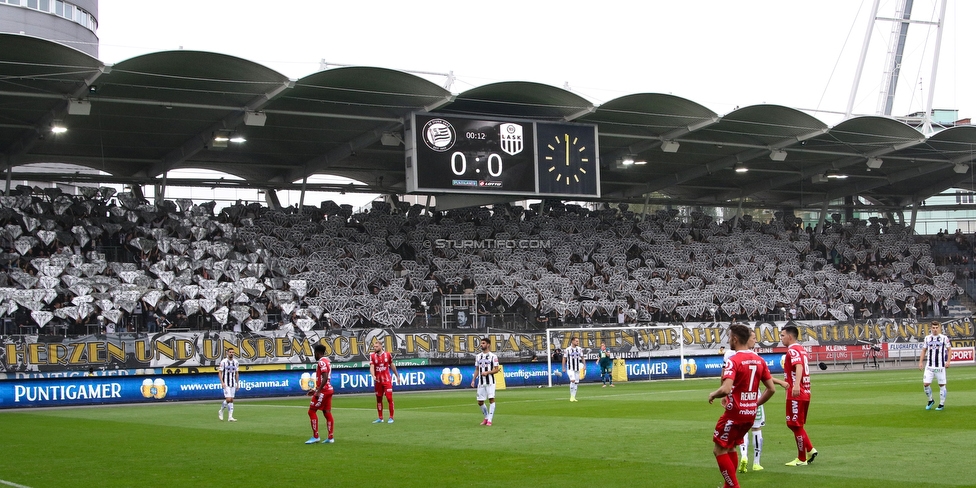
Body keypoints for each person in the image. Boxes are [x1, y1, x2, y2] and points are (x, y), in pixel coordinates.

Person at [709, 324, 776, 488]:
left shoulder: (734, 360)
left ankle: (734, 486)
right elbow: (771, 389)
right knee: (730, 447)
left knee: (718, 450)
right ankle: (728, 485)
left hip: (734, 414)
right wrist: (754, 404)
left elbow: (725, 389)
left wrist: (713, 394)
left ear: (735, 339)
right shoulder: (759, 360)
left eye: (730, 337)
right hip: (750, 413)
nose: (729, 340)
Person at [724, 331, 767, 473]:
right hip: (754, 397)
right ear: (746, 340)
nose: (755, 341)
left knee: (739, 429)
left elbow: (724, 374)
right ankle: (756, 462)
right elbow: (767, 381)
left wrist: (724, 393)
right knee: (756, 428)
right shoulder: (756, 357)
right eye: (753, 338)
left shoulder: (729, 356)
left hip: (735, 397)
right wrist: (781, 383)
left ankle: (743, 456)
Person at [776, 325, 818, 466]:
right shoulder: (801, 349)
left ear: (790, 336)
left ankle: (801, 458)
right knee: (796, 424)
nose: (781, 338)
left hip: (797, 393)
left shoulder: (792, 349)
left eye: (782, 335)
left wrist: (795, 385)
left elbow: (799, 366)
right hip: (805, 391)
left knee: (794, 424)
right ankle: (810, 449)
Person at [918, 321, 951, 411]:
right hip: (929, 366)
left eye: (937, 328)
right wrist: (920, 362)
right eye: (933, 328)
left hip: (940, 366)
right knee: (926, 384)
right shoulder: (927, 338)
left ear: (939, 328)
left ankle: (941, 404)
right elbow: (924, 350)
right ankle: (930, 400)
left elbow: (949, 349)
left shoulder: (944, 338)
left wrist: (948, 361)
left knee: (941, 385)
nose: (935, 329)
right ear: (931, 328)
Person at [306, 344, 335, 444]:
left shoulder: (321, 362)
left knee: (311, 411)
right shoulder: (327, 361)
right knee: (327, 412)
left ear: (318, 353)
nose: (314, 355)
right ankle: (330, 437)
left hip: (324, 391)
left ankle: (316, 436)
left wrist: (318, 391)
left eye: (315, 353)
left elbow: (325, 377)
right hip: (328, 390)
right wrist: (315, 389)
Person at [470, 337, 499, 426]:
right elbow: (477, 369)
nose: (481, 345)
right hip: (481, 382)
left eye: (483, 343)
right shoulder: (478, 356)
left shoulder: (493, 356)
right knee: (480, 402)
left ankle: (490, 419)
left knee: (491, 399)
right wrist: (473, 380)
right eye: (481, 343)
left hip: (490, 382)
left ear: (488, 345)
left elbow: (497, 369)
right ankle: (486, 417)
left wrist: (487, 372)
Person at [369, 340, 398, 423]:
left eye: (376, 346)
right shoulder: (372, 356)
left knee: (389, 398)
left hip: (387, 380)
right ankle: (380, 418)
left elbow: (392, 365)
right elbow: (371, 366)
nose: (375, 348)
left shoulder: (388, 355)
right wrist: (373, 375)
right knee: (378, 399)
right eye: (374, 347)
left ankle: (391, 417)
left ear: (381, 346)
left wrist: (397, 376)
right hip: (378, 381)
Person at [217, 347, 239, 422]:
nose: (231, 353)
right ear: (227, 353)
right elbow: (219, 372)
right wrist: (222, 382)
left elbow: (236, 373)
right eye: (230, 352)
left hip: (233, 383)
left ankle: (230, 417)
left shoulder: (236, 362)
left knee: (231, 400)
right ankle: (221, 410)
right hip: (226, 383)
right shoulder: (223, 362)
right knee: (228, 399)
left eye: (233, 352)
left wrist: (237, 383)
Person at [562, 336, 585, 402]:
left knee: (576, 383)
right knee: (572, 380)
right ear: (572, 341)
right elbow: (564, 358)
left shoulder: (579, 349)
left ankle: (574, 397)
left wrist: (584, 365)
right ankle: (571, 397)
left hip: (577, 368)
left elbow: (582, 357)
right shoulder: (567, 349)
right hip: (570, 368)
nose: (577, 342)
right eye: (576, 341)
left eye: (578, 341)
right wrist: (563, 367)